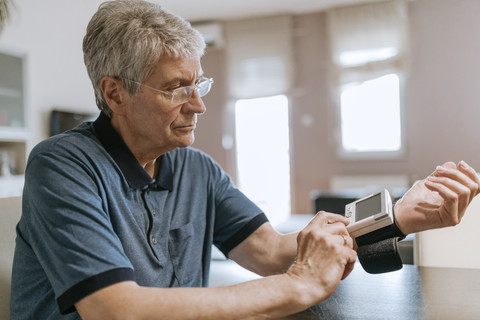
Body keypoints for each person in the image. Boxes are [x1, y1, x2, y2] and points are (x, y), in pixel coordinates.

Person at [9, 0, 480, 319]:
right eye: (176, 89)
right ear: (115, 93)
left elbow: (272, 252)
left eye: (199, 84)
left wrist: (397, 216)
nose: (198, 106)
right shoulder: (62, 165)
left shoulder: (198, 170)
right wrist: (297, 286)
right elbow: (115, 309)